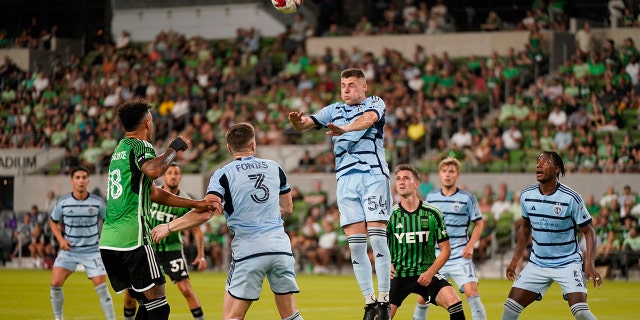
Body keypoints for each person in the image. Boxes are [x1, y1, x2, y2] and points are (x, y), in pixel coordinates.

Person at [151, 122, 303, 320]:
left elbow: (206, 211)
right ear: (253, 145)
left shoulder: (223, 174)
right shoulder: (275, 168)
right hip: (280, 248)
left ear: (229, 148)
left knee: (232, 317)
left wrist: (169, 227)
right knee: (290, 314)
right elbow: (288, 208)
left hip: (250, 251)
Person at [288, 67, 392, 320]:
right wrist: (296, 122)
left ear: (364, 87)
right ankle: (369, 303)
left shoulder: (375, 102)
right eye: (343, 84)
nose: (346, 89)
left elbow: (368, 120)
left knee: (377, 239)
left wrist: (345, 130)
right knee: (356, 245)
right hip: (345, 180)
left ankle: (385, 301)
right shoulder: (332, 109)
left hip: (372, 176)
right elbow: (305, 124)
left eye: (352, 84)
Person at [99, 100, 216, 320]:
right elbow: (154, 170)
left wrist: (195, 203)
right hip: (133, 239)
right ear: (147, 123)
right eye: (151, 121)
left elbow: (154, 193)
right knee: (159, 307)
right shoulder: (139, 146)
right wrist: (175, 147)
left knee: (144, 301)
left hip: (109, 241)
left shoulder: (119, 151)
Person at [502, 151, 602, 320]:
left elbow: (589, 231)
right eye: (537, 162)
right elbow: (525, 228)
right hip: (537, 263)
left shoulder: (571, 198)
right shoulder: (527, 195)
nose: (538, 165)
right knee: (509, 310)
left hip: (568, 263)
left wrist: (589, 263)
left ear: (557, 169)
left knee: (581, 312)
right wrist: (515, 260)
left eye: (545, 162)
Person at [122, 163, 206, 320]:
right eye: (170, 173)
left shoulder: (184, 200)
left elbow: (197, 229)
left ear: (180, 177)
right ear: (164, 176)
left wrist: (200, 255)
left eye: (176, 173)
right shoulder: (151, 193)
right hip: (148, 249)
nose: (173, 176)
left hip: (172, 250)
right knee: (131, 293)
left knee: (186, 289)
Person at [388, 164, 465, 319]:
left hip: (426, 274)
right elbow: (379, 245)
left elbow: (445, 250)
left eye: (406, 178)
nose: (401, 182)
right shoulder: (390, 216)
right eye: (398, 179)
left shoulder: (433, 213)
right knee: (383, 316)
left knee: (455, 303)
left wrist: (430, 273)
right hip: (399, 275)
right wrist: (386, 263)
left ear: (416, 184)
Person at [414, 157, 487, 320]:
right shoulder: (431, 198)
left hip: (460, 255)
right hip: (437, 257)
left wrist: (470, 245)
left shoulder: (468, 198)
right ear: (439, 175)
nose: (448, 174)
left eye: (451, 171)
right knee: (423, 296)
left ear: (458, 175)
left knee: (472, 292)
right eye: (444, 171)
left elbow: (479, 224)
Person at [49, 165, 115, 320]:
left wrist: (105, 241)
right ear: (71, 181)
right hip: (69, 251)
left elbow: (109, 223)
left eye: (84, 177)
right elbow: (53, 222)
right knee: (55, 284)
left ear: (88, 180)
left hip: (91, 251)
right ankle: (58, 318)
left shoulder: (98, 203)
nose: (81, 181)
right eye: (77, 178)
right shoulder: (63, 202)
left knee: (102, 288)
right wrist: (60, 239)